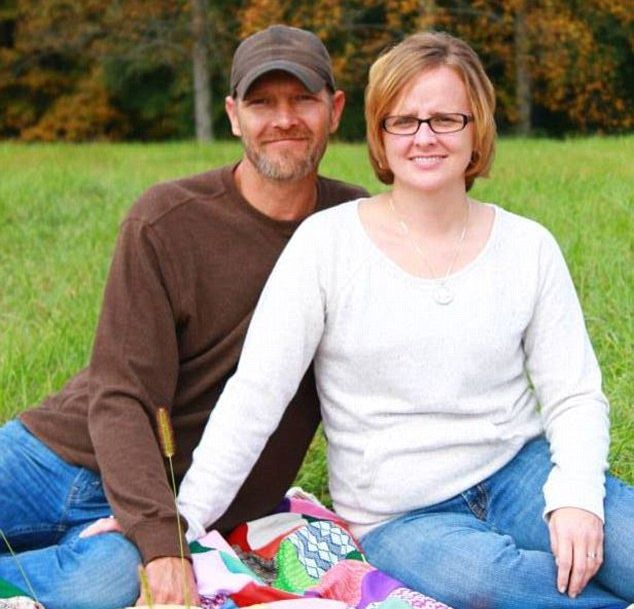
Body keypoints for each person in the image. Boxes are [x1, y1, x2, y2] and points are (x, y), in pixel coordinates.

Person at [177, 31, 634, 609]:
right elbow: (255, 395)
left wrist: (575, 498)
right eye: (404, 121)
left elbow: (574, 395)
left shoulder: (528, 246)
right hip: (401, 514)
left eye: (445, 118)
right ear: (380, 132)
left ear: (477, 129)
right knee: (497, 586)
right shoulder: (327, 244)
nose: (424, 137)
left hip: (520, 472)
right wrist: (182, 519)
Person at [0, 24, 367, 609]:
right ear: (233, 115)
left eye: (303, 99)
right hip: (60, 456)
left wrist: (163, 537)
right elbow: (120, 393)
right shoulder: (166, 219)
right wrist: (158, 534)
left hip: (188, 501)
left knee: (105, 584)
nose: (284, 119)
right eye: (261, 102)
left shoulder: (360, 231)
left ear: (336, 109)